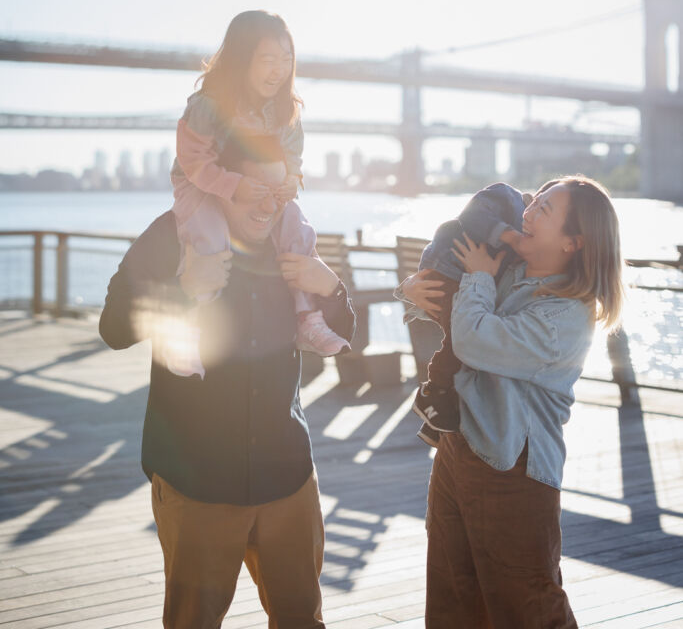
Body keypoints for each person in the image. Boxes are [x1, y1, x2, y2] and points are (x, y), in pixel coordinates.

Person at [99, 133, 356, 629]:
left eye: (279, 192)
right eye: (255, 188)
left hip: (287, 476)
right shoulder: (173, 236)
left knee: (302, 621)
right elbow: (113, 328)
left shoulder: (292, 241)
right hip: (198, 479)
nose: (269, 203)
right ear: (220, 184)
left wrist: (332, 287)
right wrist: (182, 290)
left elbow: (338, 334)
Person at [400, 175, 624, 628]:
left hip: (512, 468)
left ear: (573, 243)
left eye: (546, 209)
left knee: (528, 607)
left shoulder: (565, 316)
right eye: (536, 199)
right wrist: (409, 289)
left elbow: (472, 339)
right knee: (450, 597)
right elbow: (445, 291)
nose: (529, 209)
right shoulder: (509, 266)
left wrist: (479, 276)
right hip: (458, 447)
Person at [170, 10, 349, 377]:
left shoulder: (286, 110)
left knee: (299, 229)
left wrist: (289, 180)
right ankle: (191, 327)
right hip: (203, 191)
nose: (278, 70)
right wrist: (235, 186)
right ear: (241, 59)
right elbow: (193, 163)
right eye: (267, 60)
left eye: (286, 60)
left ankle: (308, 318)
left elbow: (294, 160)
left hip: (261, 193)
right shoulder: (206, 106)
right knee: (210, 240)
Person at [405, 183, 531, 445]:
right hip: (449, 274)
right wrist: (511, 238)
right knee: (460, 341)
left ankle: (435, 421)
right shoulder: (507, 199)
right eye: (541, 203)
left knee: (461, 343)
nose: (535, 216)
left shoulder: (528, 253)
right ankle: (433, 392)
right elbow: (472, 215)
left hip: (457, 279)